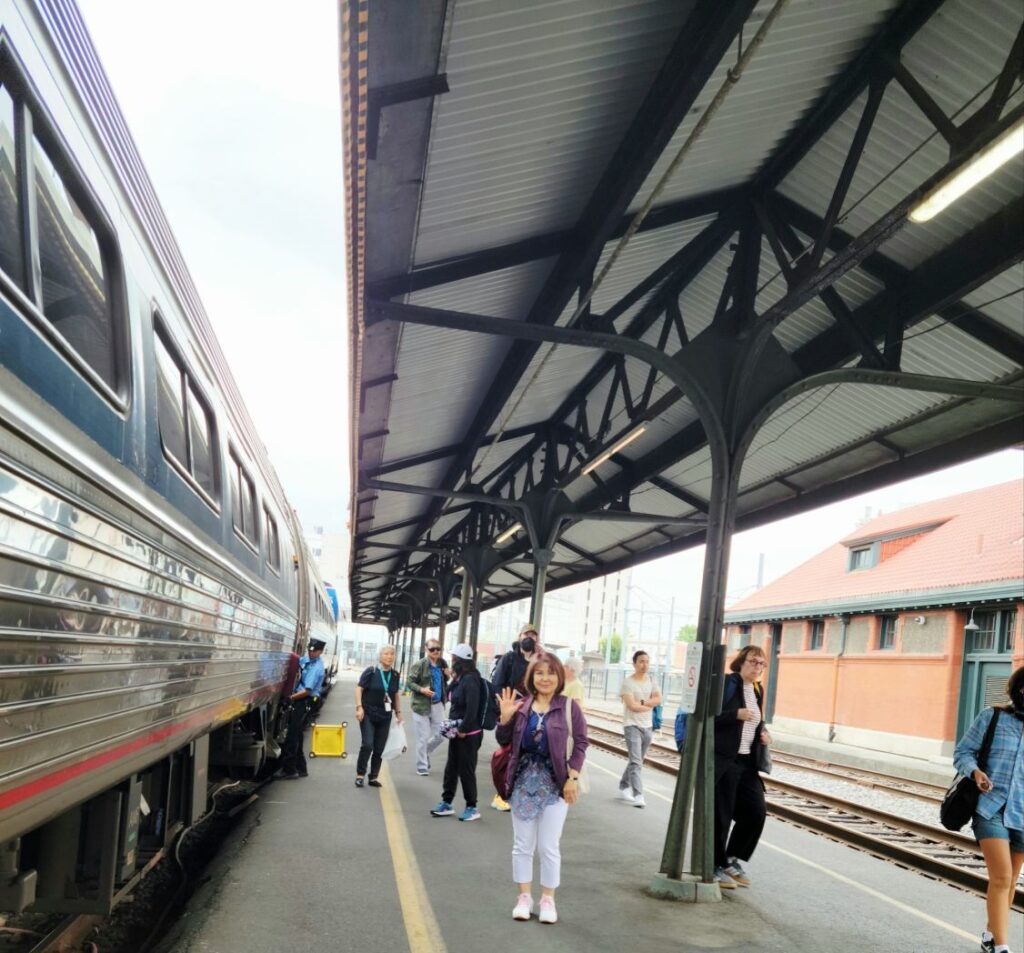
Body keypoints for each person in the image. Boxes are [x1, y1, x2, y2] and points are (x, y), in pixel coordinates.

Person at [496, 652, 588, 925]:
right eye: (539, 673)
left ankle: (548, 899)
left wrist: (572, 778)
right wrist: (505, 718)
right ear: (531, 677)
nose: (545, 678)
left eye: (550, 673)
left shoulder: (569, 707)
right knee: (522, 845)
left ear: (559, 677)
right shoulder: (522, 706)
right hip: (523, 783)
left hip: (556, 784)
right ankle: (523, 898)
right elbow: (503, 740)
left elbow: (581, 743)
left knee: (549, 845)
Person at [953, 667, 1023, 953]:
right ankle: (1001, 947)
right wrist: (976, 772)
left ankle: (990, 936)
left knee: (1010, 882)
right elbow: (963, 752)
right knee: (1002, 877)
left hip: (1022, 812)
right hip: (990, 808)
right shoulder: (992, 717)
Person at [713, 644, 772, 889]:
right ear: (741, 662)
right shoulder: (727, 684)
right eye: (753, 661)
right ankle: (713, 865)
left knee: (756, 812)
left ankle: (730, 857)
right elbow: (707, 717)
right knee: (722, 816)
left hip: (747, 762)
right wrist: (734, 715)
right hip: (726, 759)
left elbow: (755, 722)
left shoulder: (757, 690)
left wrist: (763, 734)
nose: (757, 667)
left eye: (761, 663)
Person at [431, 643, 484, 821]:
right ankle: (447, 802)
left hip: (469, 733)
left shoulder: (471, 680)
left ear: (460, 660)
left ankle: (472, 807)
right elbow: (448, 695)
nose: (451, 661)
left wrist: (463, 729)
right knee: (451, 767)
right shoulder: (460, 678)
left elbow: (472, 709)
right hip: (457, 730)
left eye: (454, 658)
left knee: (466, 770)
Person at [491, 625, 540, 811]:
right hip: (512, 711)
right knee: (510, 751)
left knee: (529, 752)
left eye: (533, 635)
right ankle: (501, 794)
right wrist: (504, 709)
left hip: (533, 712)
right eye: (526, 634)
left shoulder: (540, 660)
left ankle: (522, 792)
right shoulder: (509, 658)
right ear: (519, 636)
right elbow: (497, 684)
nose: (530, 638)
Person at [354, 645, 404, 788]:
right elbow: (359, 689)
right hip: (368, 713)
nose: (389, 657)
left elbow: (395, 694)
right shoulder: (371, 671)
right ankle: (360, 774)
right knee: (368, 744)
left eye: (392, 654)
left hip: (385, 715)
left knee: (380, 747)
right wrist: (359, 707)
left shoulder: (395, 675)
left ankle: (373, 776)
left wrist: (398, 713)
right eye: (386, 654)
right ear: (380, 656)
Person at [277, 637, 326, 779]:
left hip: (305, 701)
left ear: (320, 652)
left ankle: (290, 770)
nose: (311, 653)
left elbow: (307, 691)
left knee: (292, 736)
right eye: (310, 650)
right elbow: (299, 660)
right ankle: (301, 768)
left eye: (314, 651)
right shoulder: (308, 660)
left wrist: (290, 698)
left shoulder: (316, 668)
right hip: (302, 701)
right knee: (297, 735)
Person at [618, 650, 661, 807]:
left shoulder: (652, 680)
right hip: (632, 725)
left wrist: (642, 703)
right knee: (636, 762)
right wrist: (648, 704)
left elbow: (658, 699)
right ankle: (638, 795)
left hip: (648, 726)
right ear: (634, 663)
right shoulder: (628, 683)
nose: (645, 665)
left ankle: (624, 785)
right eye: (641, 661)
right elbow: (632, 706)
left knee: (636, 760)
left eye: (647, 661)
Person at [407, 639, 449, 776]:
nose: (436, 651)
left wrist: (448, 675)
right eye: (432, 649)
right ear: (426, 649)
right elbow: (409, 682)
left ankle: (425, 752)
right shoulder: (419, 665)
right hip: (421, 705)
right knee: (423, 737)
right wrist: (422, 690)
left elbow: (444, 681)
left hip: (438, 705)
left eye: (438, 648)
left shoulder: (442, 663)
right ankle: (422, 766)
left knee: (442, 734)